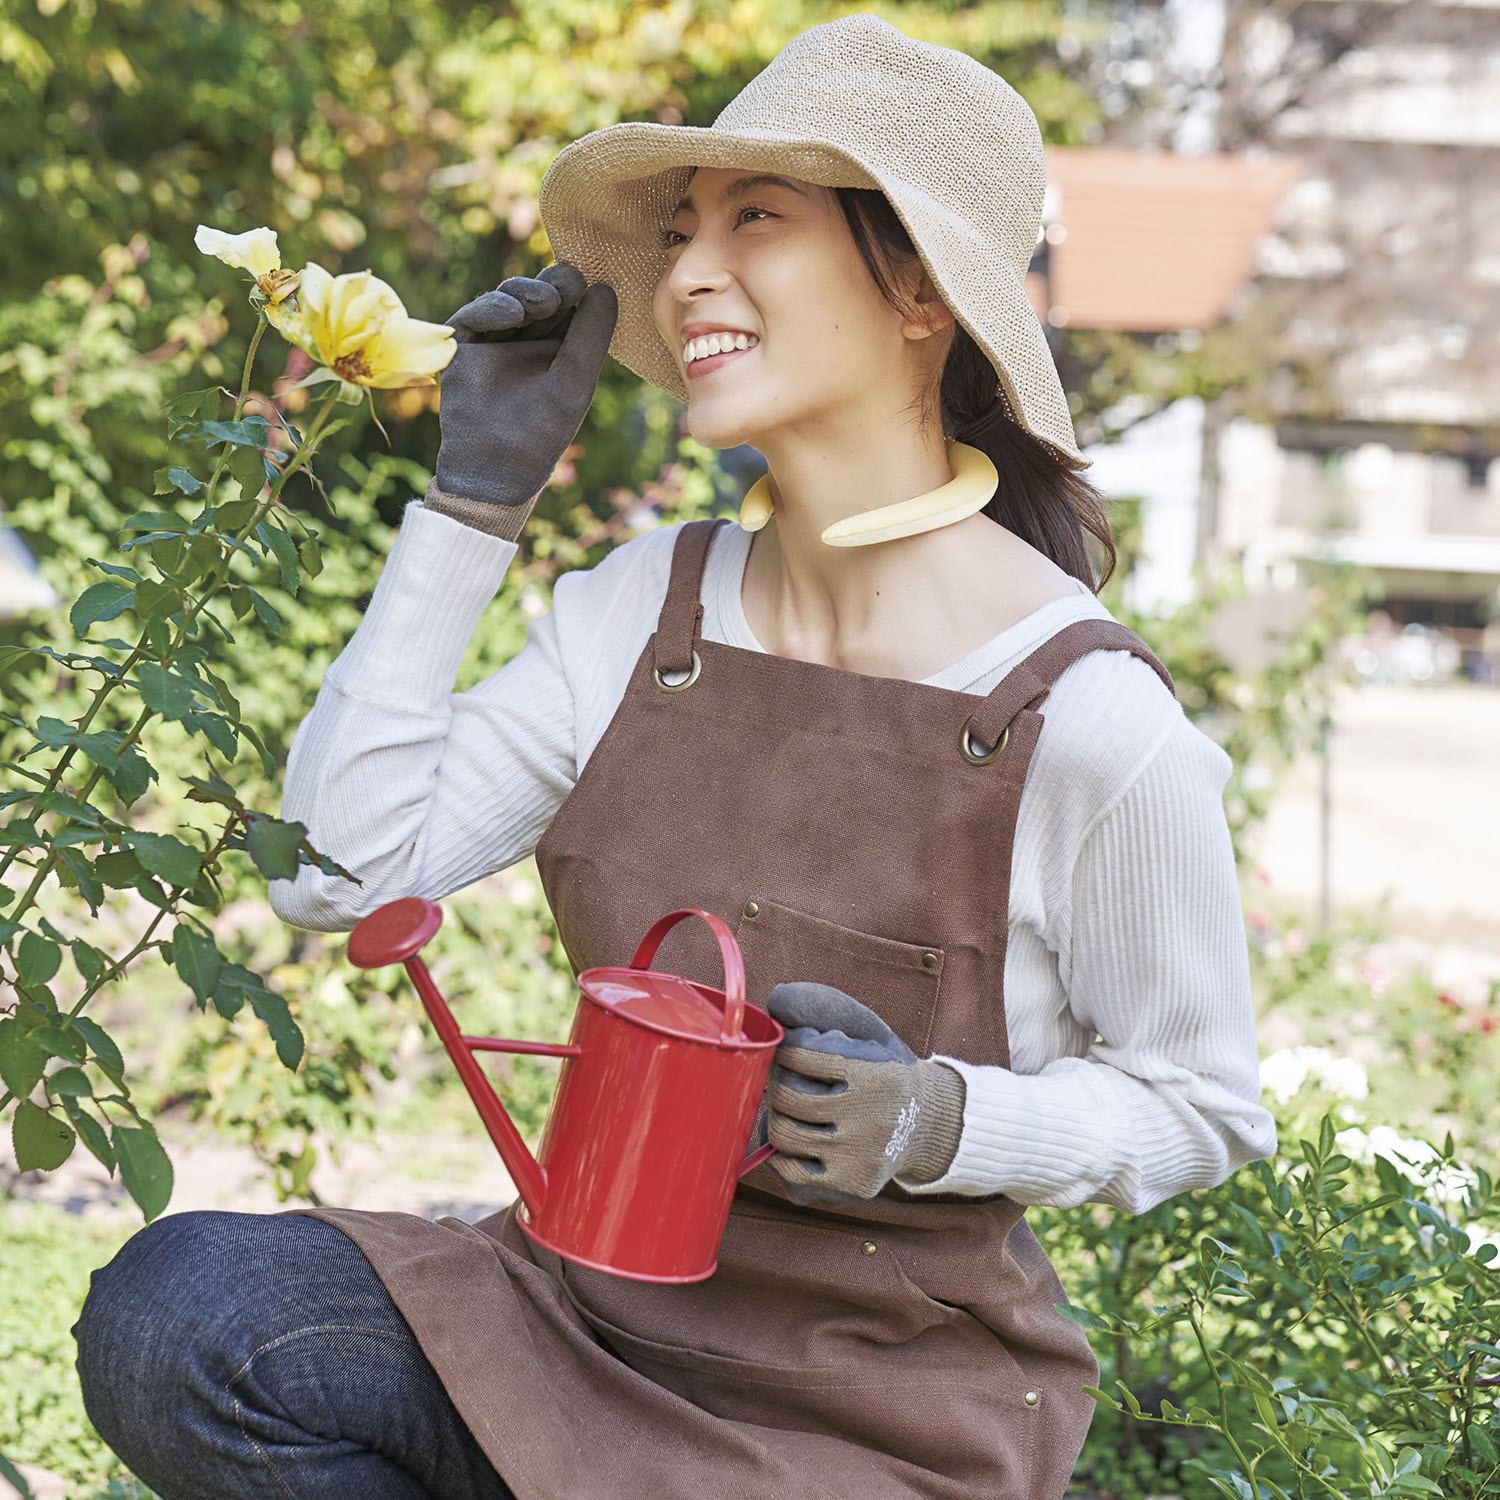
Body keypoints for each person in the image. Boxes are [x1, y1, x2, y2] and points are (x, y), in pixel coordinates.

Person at [73, 15, 1277, 1498]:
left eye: (755, 220)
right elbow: (338, 876)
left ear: (916, 287)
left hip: (880, 1412)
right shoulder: (646, 608)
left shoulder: (1088, 715)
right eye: (684, 229)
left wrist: (944, 1120)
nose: (688, 271)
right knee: (179, 1318)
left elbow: (1202, 1106)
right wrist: (469, 508)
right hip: (576, 1328)